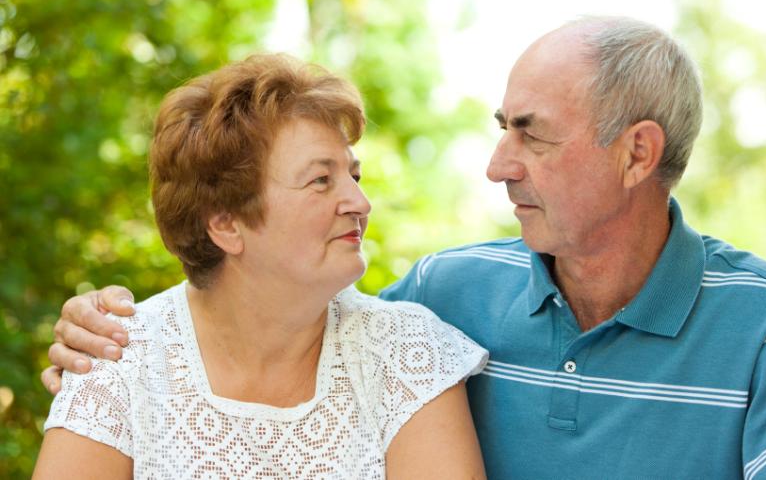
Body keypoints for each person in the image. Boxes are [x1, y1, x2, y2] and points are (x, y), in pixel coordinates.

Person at [42, 16, 766, 478]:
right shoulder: (448, 292)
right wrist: (97, 325)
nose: (497, 165)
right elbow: (289, 319)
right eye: (500, 128)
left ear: (637, 155)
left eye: (529, 132)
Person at [33, 54, 488, 479]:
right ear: (227, 224)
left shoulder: (407, 355)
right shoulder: (119, 359)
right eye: (320, 180)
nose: (360, 202)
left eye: (354, 175)